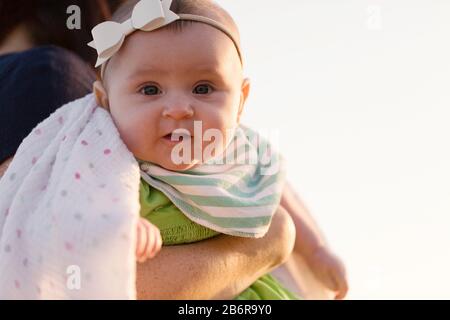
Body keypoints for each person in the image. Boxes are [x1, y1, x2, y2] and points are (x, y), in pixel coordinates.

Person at [0, 0, 347, 299]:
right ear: (103, 103)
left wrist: (316, 250)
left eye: (203, 87)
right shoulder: (101, 150)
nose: (180, 107)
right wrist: (113, 225)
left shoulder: (234, 151)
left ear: (240, 101)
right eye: (150, 90)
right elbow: (65, 210)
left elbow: (273, 188)